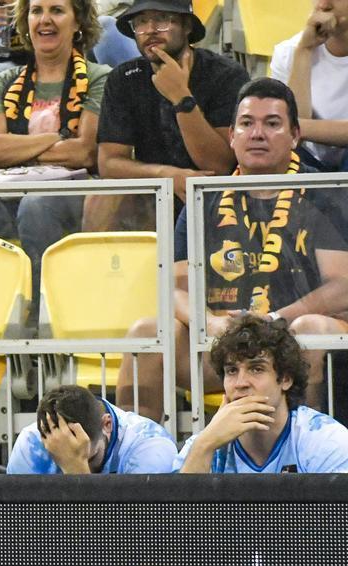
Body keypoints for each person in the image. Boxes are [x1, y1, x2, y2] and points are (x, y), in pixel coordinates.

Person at [117, 78, 348, 420]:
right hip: (226, 342)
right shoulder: (203, 197)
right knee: (146, 333)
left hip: (297, 335)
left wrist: (276, 319)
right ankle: (136, 458)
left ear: (295, 136)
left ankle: (308, 459)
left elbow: (342, 288)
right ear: (232, 136)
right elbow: (175, 288)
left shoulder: (323, 192)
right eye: (246, 124)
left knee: (312, 329)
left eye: (272, 124)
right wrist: (211, 324)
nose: (257, 134)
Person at [0, 0, 111, 305]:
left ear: (78, 21)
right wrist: (56, 137)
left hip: (74, 190)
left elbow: (84, 151)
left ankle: (45, 315)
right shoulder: (3, 80)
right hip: (8, 188)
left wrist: (18, 149)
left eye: (57, 10)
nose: (45, 20)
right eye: (36, 11)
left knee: (37, 206)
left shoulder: (99, 77)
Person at [96, 0, 248, 224]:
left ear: (187, 26)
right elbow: (108, 163)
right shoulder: (124, 78)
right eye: (141, 22)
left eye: (162, 19)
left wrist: (181, 98)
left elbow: (219, 165)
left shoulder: (226, 75)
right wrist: (165, 176)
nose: (150, 29)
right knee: (100, 199)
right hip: (152, 193)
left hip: (218, 196)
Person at [176, 314, 348, 473]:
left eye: (256, 369)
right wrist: (205, 445)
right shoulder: (203, 444)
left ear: (285, 379)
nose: (241, 383)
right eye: (232, 371)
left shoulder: (325, 440)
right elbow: (177, 507)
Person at [8, 384, 176, 473]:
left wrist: (76, 470)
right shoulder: (32, 442)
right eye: (59, 457)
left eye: (91, 460)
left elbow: (139, 535)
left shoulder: (151, 449)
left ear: (107, 425)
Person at [271, 0, 348, 172]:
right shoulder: (288, 52)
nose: (323, 4)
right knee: (280, 156)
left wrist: (293, 127)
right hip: (309, 160)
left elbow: (288, 128)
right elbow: (293, 139)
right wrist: (304, 51)